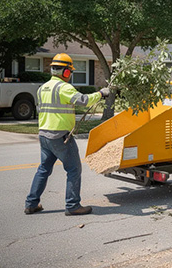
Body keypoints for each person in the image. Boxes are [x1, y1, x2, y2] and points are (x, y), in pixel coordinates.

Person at [24, 53, 110, 215]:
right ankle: (72, 206)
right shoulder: (63, 87)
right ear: (65, 72)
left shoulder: (43, 88)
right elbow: (83, 100)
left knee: (43, 169)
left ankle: (31, 203)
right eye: (70, 71)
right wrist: (101, 94)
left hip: (44, 135)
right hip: (60, 137)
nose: (70, 74)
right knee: (74, 169)